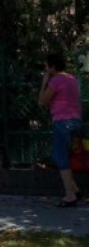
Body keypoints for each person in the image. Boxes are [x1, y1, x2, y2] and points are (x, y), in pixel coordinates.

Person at [39, 52, 83, 207]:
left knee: (60, 157)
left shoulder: (56, 80)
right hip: (75, 120)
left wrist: (44, 83)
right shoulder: (72, 79)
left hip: (62, 121)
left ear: (52, 67)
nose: (46, 69)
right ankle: (75, 189)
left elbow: (42, 101)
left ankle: (70, 196)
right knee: (59, 155)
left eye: (47, 66)